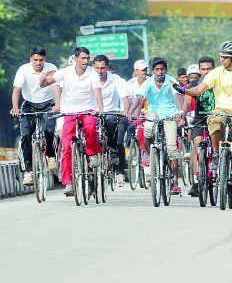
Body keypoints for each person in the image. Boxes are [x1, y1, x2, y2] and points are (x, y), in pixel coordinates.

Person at [174, 41, 232, 202]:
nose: (221, 60)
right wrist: (184, 90)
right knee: (214, 122)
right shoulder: (217, 72)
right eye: (220, 57)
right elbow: (199, 90)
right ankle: (217, 155)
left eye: (225, 58)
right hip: (221, 109)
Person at [39, 47, 103, 196]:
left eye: (87, 58)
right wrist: (43, 76)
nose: (86, 61)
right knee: (66, 147)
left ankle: (92, 155)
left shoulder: (92, 74)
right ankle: (68, 182)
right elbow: (44, 84)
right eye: (83, 58)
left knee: (91, 129)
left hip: (88, 111)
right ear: (75, 59)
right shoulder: (65, 72)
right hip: (69, 113)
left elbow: (97, 92)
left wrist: (100, 109)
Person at [129, 57, 184, 195]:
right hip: (153, 114)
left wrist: (179, 112)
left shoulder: (171, 81)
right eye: (157, 69)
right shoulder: (148, 83)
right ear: (153, 71)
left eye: (162, 69)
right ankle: (149, 153)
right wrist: (130, 112)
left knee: (171, 149)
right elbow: (139, 98)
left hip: (170, 115)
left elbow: (178, 96)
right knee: (146, 130)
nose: (160, 72)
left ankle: (174, 182)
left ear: (166, 70)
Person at [11, 47, 61, 186]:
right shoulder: (23, 69)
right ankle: (28, 172)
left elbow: (56, 87)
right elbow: (16, 90)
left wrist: (57, 104)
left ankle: (51, 156)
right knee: (25, 136)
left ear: (45, 60)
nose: (38, 63)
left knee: (49, 131)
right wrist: (15, 107)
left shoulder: (51, 68)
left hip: (48, 104)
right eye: (35, 60)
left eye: (41, 60)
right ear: (30, 59)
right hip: (29, 104)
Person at [93, 55, 129, 183]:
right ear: (93, 67)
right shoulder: (89, 78)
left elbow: (124, 96)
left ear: (107, 68)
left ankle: (119, 170)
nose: (100, 71)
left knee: (116, 141)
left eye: (103, 68)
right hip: (93, 113)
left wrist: (125, 110)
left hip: (111, 113)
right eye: (97, 68)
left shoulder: (115, 79)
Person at [183, 61, 216, 197]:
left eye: (209, 68)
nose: (206, 71)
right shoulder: (193, 85)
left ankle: (220, 170)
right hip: (199, 119)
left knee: (218, 147)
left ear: (214, 69)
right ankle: (197, 181)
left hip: (217, 118)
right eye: (203, 69)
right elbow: (186, 102)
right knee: (197, 146)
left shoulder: (219, 83)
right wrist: (182, 115)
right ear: (200, 70)